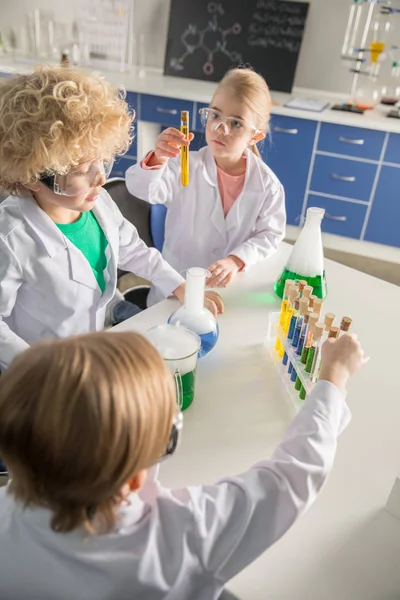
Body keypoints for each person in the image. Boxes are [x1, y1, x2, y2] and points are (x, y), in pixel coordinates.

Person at [0, 330, 367, 599]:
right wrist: (333, 378)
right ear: (130, 482)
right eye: (166, 438)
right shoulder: (185, 536)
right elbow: (294, 476)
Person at [0, 67, 222, 371]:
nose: (101, 177)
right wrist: (36, 369)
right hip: (43, 376)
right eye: (80, 169)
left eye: (101, 160)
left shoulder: (98, 203)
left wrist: (177, 284)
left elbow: (133, 249)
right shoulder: (10, 238)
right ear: (31, 176)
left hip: (94, 348)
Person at [126, 67, 286, 304]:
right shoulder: (185, 165)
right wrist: (158, 158)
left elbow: (271, 234)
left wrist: (236, 260)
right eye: (216, 116)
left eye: (236, 123)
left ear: (255, 137)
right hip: (175, 290)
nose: (221, 129)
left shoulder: (267, 185)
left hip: (225, 291)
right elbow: (141, 189)